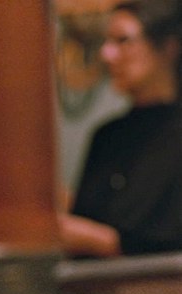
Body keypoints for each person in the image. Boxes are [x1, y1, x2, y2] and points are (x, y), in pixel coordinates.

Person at [60, 0, 182, 258]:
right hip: (95, 282)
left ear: (169, 47)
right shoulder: (106, 137)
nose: (106, 54)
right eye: (107, 42)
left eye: (123, 40)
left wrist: (91, 238)